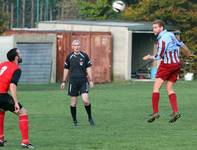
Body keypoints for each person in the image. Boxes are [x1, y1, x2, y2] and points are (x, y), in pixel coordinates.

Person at [143, 20, 193, 123]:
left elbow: (158, 56)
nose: (154, 30)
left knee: (156, 88)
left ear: (161, 28)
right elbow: (181, 44)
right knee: (169, 88)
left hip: (167, 65)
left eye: (156, 27)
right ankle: (175, 111)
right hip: (176, 64)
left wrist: (149, 57)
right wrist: (189, 53)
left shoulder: (162, 40)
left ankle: (155, 112)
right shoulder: (171, 34)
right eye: (153, 28)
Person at [0, 48, 34, 148]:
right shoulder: (16, 69)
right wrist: (15, 102)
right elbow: (12, 85)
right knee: (23, 112)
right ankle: (25, 142)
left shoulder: (3, 64)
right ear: (16, 57)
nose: (21, 55)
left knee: (1, 110)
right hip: (1, 94)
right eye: (20, 53)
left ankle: (0, 138)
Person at [60, 40, 95, 126]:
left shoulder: (85, 56)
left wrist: (90, 80)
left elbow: (89, 68)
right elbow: (66, 69)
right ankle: (75, 121)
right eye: (75, 45)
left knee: (86, 100)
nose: (77, 47)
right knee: (73, 103)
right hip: (73, 82)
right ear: (72, 46)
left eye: (78, 45)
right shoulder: (69, 57)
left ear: (80, 46)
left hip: (83, 80)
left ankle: (90, 117)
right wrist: (63, 81)